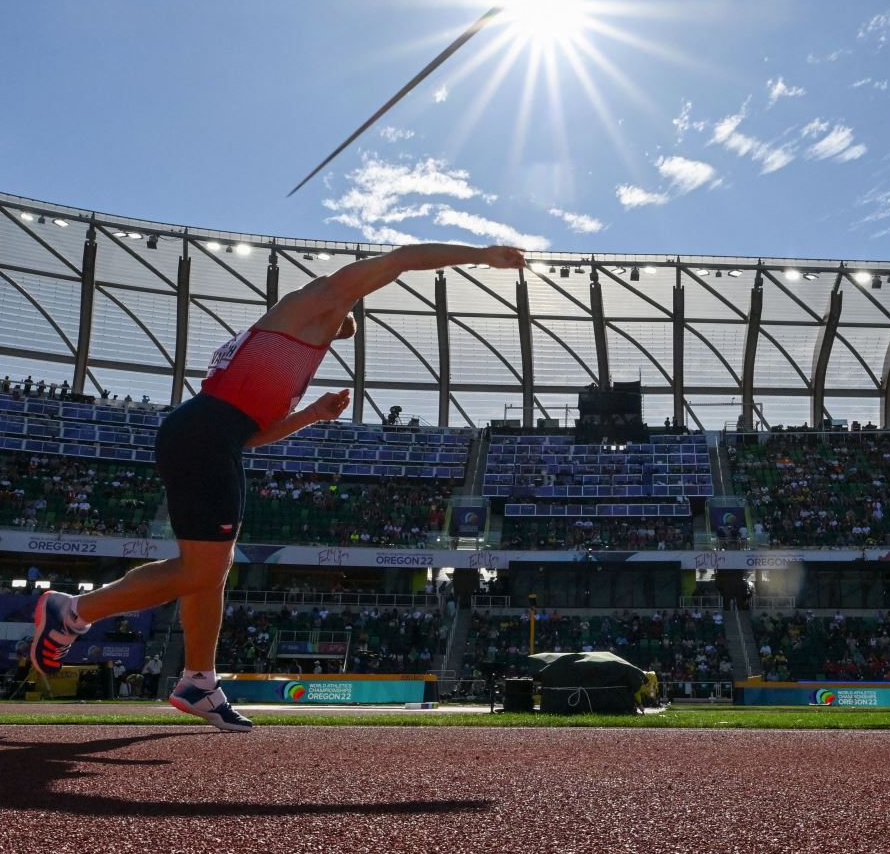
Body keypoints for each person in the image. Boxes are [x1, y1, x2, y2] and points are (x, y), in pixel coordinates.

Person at [29, 242, 525, 731]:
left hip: (214, 441)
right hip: (201, 437)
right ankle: (72, 611)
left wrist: (311, 414)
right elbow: (401, 259)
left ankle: (198, 681)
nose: (347, 326)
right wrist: (482, 254)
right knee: (201, 570)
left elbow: (254, 435)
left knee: (211, 572)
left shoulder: (299, 353)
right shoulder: (313, 303)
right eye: (349, 315)